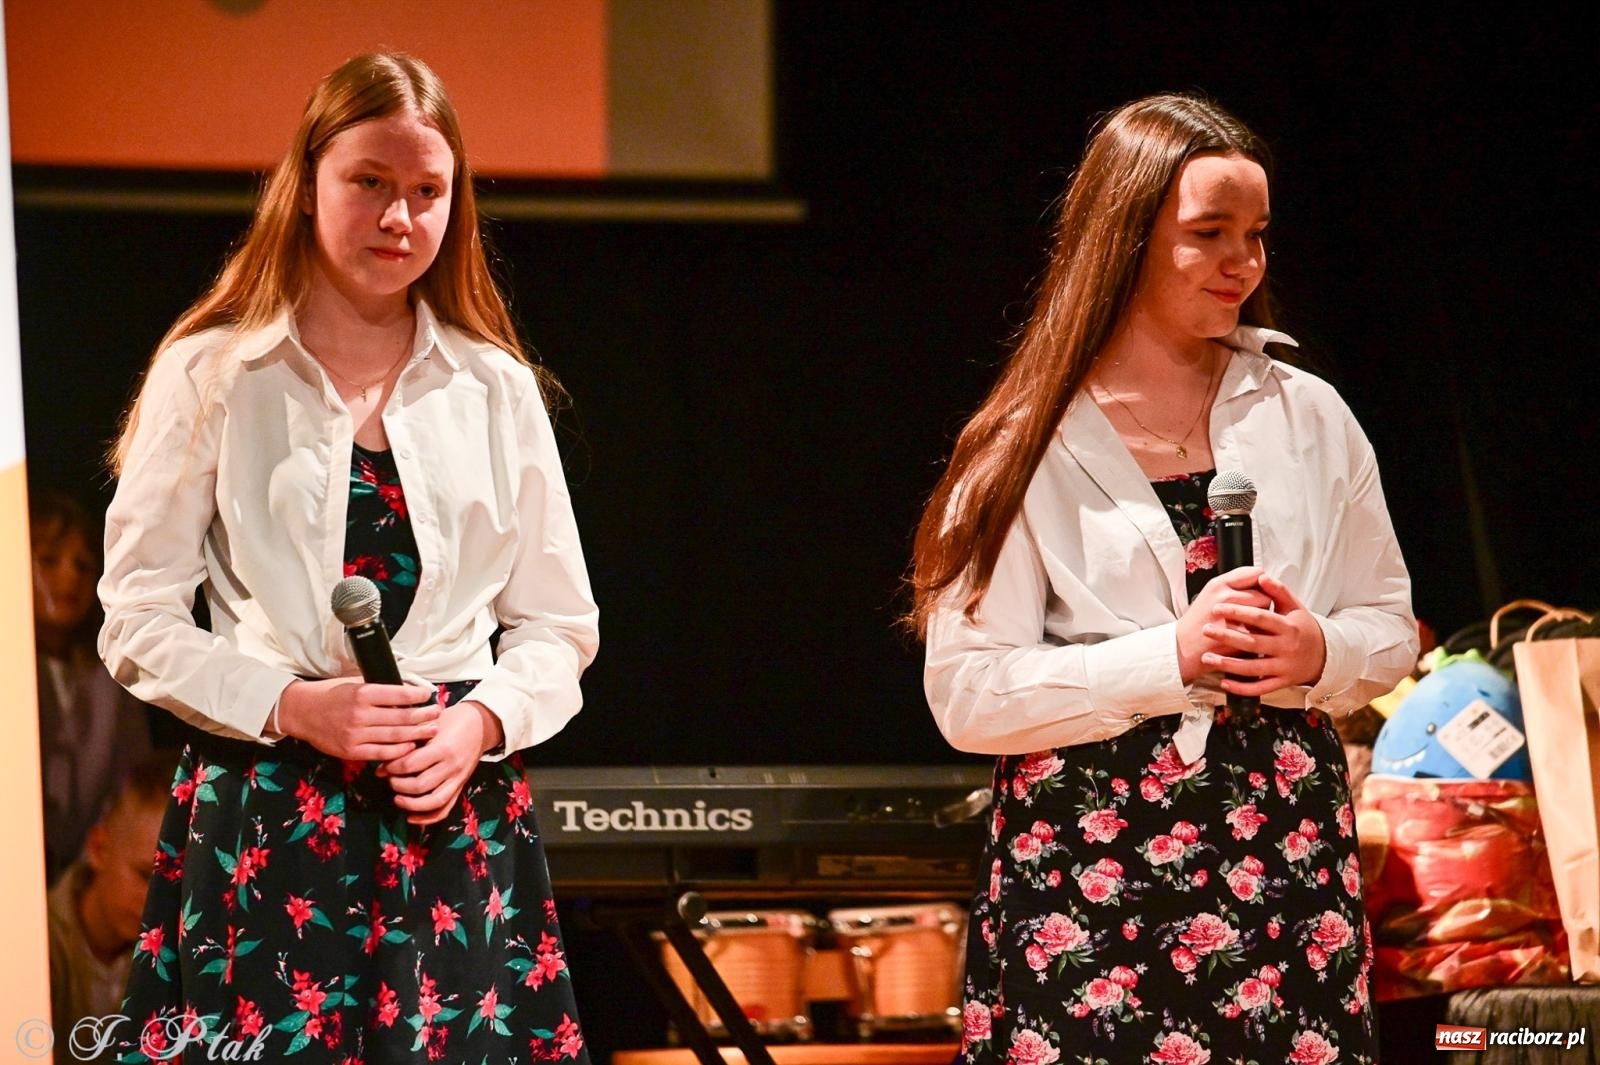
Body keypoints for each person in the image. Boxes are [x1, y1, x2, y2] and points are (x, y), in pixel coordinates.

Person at [99, 53, 598, 1063]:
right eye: (368, 182)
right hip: (270, 815)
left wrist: (480, 724)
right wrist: (292, 704)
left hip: (450, 813)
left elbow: (557, 626)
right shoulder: (213, 371)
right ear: (309, 181)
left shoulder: (493, 388)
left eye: (426, 192)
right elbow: (137, 619)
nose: (398, 217)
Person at [909, 94, 1417, 1065]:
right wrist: (1167, 658)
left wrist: (1319, 651)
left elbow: (1388, 627)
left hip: (1284, 857)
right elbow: (967, 696)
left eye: (1256, 235)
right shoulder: (1029, 443)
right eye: (1208, 234)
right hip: (1093, 874)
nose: (1243, 263)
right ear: (1126, 237)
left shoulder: (1307, 416)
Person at [31, 488, 153, 884]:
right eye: (49, 561)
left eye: (84, 566)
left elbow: (130, 782)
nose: (69, 577)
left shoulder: (110, 678)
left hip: (80, 876)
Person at [47, 751, 175, 1063]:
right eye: (145, 875)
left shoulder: (172, 951)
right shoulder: (37, 944)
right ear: (98, 848)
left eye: (175, 887)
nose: (156, 903)